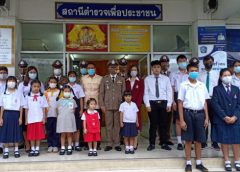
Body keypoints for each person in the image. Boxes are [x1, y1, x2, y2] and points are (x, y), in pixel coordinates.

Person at [178, 61, 209, 172]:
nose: (194, 73)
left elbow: (205, 102)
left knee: (199, 140)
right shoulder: (183, 85)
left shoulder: (202, 85)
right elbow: (180, 103)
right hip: (187, 113)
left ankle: (199, 163)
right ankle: (188, 163)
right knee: (188, 140)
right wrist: (181, 120)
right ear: (187, 72)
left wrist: (207, 117)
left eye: (196, 71)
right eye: (192, 71)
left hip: (200, 114)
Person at [211, 68, 240, 171]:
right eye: (225, 75)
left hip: (235, 119)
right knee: (225, 140)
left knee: (236, 141)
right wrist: (225, 117)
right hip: (222, 119)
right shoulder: (216, 89)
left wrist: (235, 116)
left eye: (229, 75)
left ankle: (237, 161)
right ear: (221, 77)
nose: (227, 77)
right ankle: (227, 161)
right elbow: (215, 104)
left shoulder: (236, 89)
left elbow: (239, 105)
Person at [144, 60, 173, 151]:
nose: (156, 69)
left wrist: (169, 103)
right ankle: (152, 143)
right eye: (154, 67)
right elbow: (146, 93)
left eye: (158, 67)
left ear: (160, 68)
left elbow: (169, 91)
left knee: (163, 124)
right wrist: (147, 104)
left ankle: (164, 143)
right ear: (152, 69)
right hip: (152, 103)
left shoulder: (166, 79)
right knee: (153, 124)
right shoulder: (147, 79)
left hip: (163, 103)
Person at [99, 59, 125, 152]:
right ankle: (109, 143)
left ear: (117, 68)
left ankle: (117, 143)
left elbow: (123, 93)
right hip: (107, 106)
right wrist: (101, 105)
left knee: (117, 126)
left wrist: (123, 106)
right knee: (109, 125)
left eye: (114, 67)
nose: (113, 68)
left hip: (119, 106)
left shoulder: (121, 79)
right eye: (111, 67)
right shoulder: (104, 79)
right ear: (108, 68)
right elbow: (101, 93)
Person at [18, 66, 45, 153]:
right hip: (28, 113)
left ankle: (36, 148)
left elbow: (44, 105)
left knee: (38, 133)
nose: (32, 73)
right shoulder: (23, 84)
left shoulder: (41, 92)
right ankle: (28, 145)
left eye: (34, 72)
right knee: (27, 130)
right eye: (31, 72)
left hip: (38, 116)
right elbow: (20, 97)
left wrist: (44, 117)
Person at [0, 76, 25, 159]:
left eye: (13, 80)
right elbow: (2, 107)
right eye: (9, 80)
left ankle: (16, 150)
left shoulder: (19, 93)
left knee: (16, 132)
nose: (11, 82)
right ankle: (6, 150)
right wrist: (1, 118)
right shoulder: (3, 93)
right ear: (7, 82)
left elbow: (21, 106)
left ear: (16, 82)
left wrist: (20, 117)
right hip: (6, 114)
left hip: (16, 114)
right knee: (6, 132)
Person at [199, 55, 220, 150]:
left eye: (211, 61)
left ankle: (214, 142)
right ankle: (203, 142)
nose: (209, 63)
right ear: (203, 63)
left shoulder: (217, 74)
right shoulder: (199, 74)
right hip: (203, 100)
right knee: (204, 121)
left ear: (213, 62)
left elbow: (219, 88)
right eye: (207, 61)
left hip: (214, 99)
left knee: (215, 121)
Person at [81, 62, 102, 150]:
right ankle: (87, 145)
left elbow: (102, 92)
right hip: (87, 105)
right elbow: (81, 93)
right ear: (87, 69)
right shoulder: (83, 78)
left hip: (97, 106)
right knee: (87, 126)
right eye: (89, 68)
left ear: (95, 69)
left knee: (97, 126)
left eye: (92, 67)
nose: (90, 69)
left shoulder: (100, 78)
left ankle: (97, 145)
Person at [170, 54, 189, 150]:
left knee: (188, 120)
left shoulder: (190, 73)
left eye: (184, 60)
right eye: (180, 61)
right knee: (178, 120)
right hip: (177, 97)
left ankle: (187, 141)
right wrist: (173, 101)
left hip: (188, 97)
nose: (182, 62)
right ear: (177, 62)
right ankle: (179, 142)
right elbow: (172, 88)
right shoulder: (173, 74)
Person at [24, 80, 48, 157]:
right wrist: (26, 119)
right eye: (34, 86)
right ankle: (32, 148)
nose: (36, 88)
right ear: (31, 86)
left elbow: (44, 108)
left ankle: (37, 148)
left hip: (39, 118)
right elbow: (26, 108)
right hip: (31, 119)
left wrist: (44, 118)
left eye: (38, 86)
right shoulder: (28, 96)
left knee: (38, 135)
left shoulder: (42, 96)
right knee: (31, 135)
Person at [125, 65, 144, 150]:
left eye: (135, 70)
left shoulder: (140, 81)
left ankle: (135, 143)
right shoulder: (126, 81)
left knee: (136, 124)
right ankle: (128, 143)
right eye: (132, 70)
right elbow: (124, 93)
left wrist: (137, 105)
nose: (133, 71)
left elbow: (141, 93)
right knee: (128, 124)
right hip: (127, 106)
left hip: (136, 107)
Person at [57, 85, 77, 156]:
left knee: (69, 134)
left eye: (68, 91)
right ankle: (62, 147)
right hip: (62, 119)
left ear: (71, 92)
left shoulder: (73, 100)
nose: (67, 92)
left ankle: (69, 147)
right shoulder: (59, 100)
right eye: (65, 91)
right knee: (62, 134)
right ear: (62, 92)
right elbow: (57, 110)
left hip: (70, 119)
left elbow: (73, 110)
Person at [67, 71, 85, 151]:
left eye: (73, 76)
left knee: (77, 127)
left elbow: (81, 99)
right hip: (68, 108)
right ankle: (70, 144)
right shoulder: (65, 86)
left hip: (77, 108)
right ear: (68, 77)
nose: (72, 77)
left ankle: (77, 144)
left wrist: (81, 110)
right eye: (70, 76)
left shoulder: (78, 87)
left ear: (76, 77)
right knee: (70, 127)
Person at [159, 55, 174, 146]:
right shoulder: (157, 74)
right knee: (160, 121)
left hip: (170, 101)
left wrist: (172, 101)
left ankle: (168, 138)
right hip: (160, 101)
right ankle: (161, 138)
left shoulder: (171, 74)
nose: (165, 64)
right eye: (163, 62)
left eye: (166, 62)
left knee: (169, 121)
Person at [44, 77, 60, 153]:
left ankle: (55, 145)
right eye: (51, 82)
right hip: (48, 114)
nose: (52, 83)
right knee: (49, 131)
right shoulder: (45, 92)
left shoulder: (59, 92)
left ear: (56, 83)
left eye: (54, 82)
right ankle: (50, 145)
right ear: (48, 83)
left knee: (56, 130)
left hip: (57, 115)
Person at [0, 66, 8, 153]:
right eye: (1, 73)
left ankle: (2, 145)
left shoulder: (9, 83)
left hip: (5, 107)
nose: (2, 75)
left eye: (4, 73)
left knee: (3, 126)